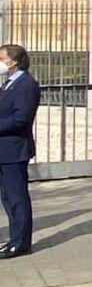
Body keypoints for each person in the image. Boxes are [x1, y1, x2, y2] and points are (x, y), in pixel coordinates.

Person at [0, 44, 41, 259]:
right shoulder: (9, 83)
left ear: (14, 61)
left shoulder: (26, 85)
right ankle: (14, 239)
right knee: (8, 197)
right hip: (4, 150)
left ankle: (20, 243)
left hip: (14, 150)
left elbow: (21, 119)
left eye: (2, 58)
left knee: (17, 197)